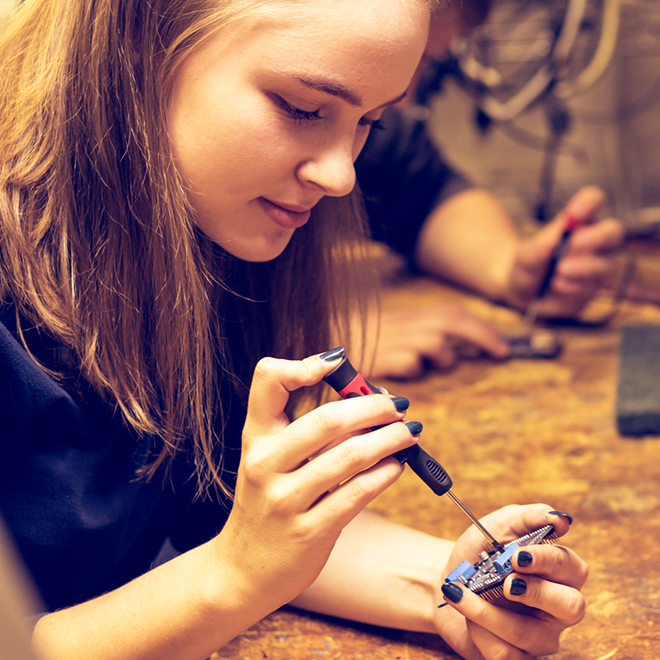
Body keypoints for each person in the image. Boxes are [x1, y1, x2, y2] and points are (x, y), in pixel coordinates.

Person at [0, 2, 588, 660]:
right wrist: (232, 576)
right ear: (139, 48)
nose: (340, 178)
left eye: (369, 121)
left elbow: (238, 527)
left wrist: (458, 585)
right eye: (302, 108)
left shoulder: (221, 229)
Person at [354, 2, 626, 379]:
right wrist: (311, 340)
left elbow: (422, 193)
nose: (406, 99)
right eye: (301, 109)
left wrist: (508, 269)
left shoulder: (381, 134)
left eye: (424, 61)